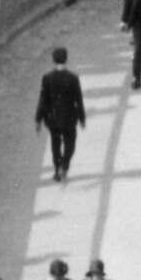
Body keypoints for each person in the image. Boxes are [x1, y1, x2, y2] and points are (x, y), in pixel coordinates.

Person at [32, 47, 85, 182]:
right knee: (70, 144)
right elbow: (78, 99)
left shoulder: (47, 78)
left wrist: (38, 119)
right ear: (66, 59)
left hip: (53, 118)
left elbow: (43, 100)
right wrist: (82, 118)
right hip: (69, 117)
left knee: (55, 144)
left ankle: (57, 170)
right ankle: (65, 164)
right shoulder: (73, 78)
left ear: (53, 60)